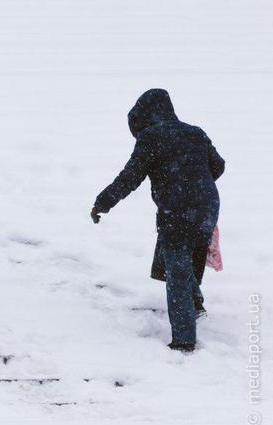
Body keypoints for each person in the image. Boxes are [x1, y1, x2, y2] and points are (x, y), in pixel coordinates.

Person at [91, 89, 224, 353]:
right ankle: (195, 304)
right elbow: (218, 166)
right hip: (207, 206)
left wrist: (103, 202)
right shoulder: (195, 132)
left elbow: (130, 177)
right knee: (179, 255)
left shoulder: (152, 138)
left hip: (177, 210)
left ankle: (184, 340)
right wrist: (196, 184)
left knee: (176, 268)